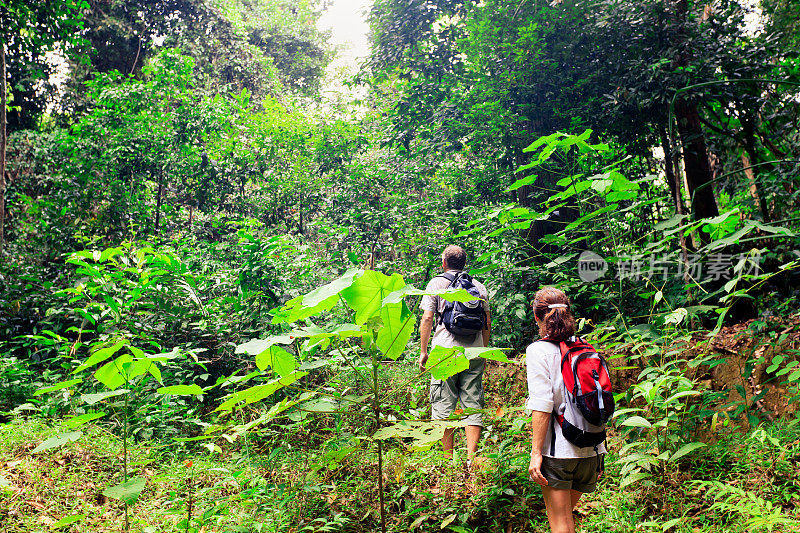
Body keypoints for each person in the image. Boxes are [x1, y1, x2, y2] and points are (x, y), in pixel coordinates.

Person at [526, 287, 605, 533]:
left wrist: (536, 452)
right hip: (592, 450)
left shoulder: (538, 350)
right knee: (566, 521)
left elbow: (542, 405)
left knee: (560, 525)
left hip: (559, 452)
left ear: (537, 317)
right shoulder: (588, 349)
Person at [418, 245, 491, 463]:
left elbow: (427, 319)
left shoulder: (437, 283)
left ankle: (448, 462)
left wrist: (423, 351)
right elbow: (486, 323)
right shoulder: (478, 286)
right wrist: (483, 350)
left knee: (443, 404)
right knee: (472, 403)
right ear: (464, 263)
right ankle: (471, 460)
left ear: (444, 263)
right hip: (474, 351)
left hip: (445, 352)